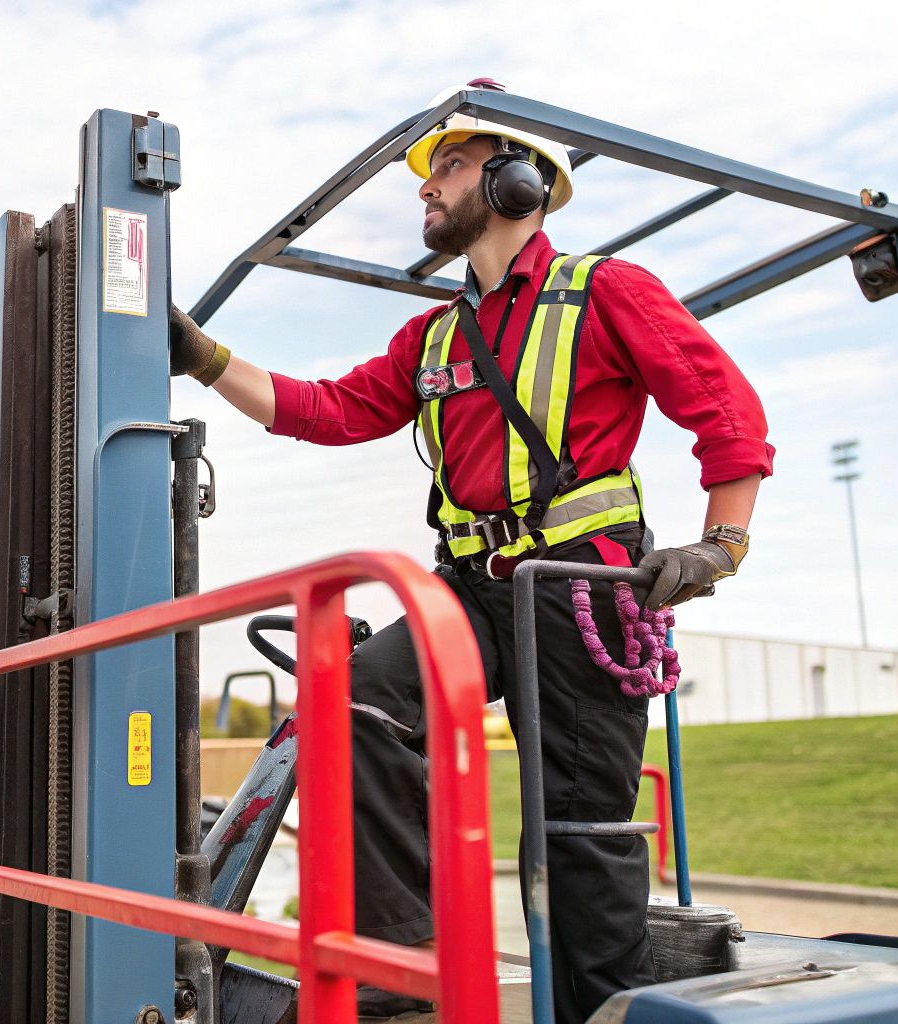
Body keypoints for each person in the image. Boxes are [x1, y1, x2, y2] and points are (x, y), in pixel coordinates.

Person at [170, 78, 773, 1022]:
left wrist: (722, 544)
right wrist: (206, 358)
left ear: (517, 181)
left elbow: (725, 412)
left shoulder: (606, 292)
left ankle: (603, 1011)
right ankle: (409, 974)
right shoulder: (434, 335)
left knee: (578, 826)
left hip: (583, 587)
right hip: (470, 586)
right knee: (353, 697)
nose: (425, 189)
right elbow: (327, 411)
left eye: (445, 167)